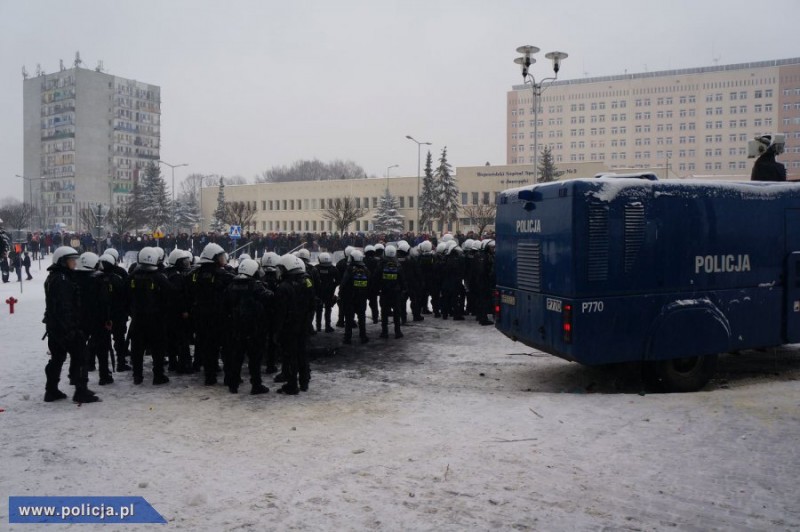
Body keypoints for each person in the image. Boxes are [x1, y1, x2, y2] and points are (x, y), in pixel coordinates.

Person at [43, 246, 100, 403]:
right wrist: (71, 328)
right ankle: (81, 391)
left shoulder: (55, 277)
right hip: (66, 327)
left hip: (55, 327)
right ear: (62, 261)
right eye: (71, 261)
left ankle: (51, 390)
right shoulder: (62, 280)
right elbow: (64, 307)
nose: (74, 264)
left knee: (57, 358)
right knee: (80, 357)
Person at [222, 259, 273, 394]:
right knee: (255, 358)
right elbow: (269, 299)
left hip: (237, 326)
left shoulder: (232, 285)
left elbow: (226, 304)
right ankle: (256, 385)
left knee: (237, 357)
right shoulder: (255, 285)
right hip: (254, 327)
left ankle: (233, 384)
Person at [188, 243, 234, 385]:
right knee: (227, 347)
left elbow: (188, 293)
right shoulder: (223, 274)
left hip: (202, 316)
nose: (223, 259)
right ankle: (229, 377)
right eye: (220, 257)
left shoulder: (194, 274)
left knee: (208, 347)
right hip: (220, 316)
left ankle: (210, 376)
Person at [128, 247, 174, 385]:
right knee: (158, 348)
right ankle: (158, 375)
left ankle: (137, 375)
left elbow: (123, 295)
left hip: (137, 318)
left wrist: (131, 310)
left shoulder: (132, 276)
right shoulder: (158, 276)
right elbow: (170, 293)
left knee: (137, 348)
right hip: (156, 318)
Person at [74, 252, 114, 385]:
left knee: (79, 350)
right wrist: (107, 319)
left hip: (79, 319)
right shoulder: (99, 280)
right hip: (97, 319)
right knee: (102, 349)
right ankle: (104, 375)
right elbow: (105, 301)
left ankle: (76, 376)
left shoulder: (73, 279)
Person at [165, 249, 194, 374]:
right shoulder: (177, 277)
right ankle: (184, 365)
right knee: (182, 340)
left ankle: (173, 363)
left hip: (168, 313)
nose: (186, 264)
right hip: (178, 313)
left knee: (171, 338)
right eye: (184, 262)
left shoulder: (168, 273)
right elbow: (180, 295)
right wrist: (184, 310)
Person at [373, 245, 405, 339]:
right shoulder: (398, 264)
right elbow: (402, 278)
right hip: (396, 292)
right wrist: (403, 288)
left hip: (385, 291)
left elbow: (376, 277)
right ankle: (397, 331)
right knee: (396, 312)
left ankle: (384, 332)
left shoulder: (381, 264)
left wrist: (376, 289)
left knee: (384, 312)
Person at [340, 249, 370, 344]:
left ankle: (347, 338)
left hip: (350, 298)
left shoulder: (349, 269)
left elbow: (344, 283)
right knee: (362, 318)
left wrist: (341, 294)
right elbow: (370, 283)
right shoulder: (366, 269)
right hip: (361, 298)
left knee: (349, 319)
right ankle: (363, 336)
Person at [314, 252, 339, 333]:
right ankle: (327, 326)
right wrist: (333, 285)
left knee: (319, 310)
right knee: (328, 309)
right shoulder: (333, 268)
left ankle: (318, 327)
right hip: (329, 292)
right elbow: (338, 280)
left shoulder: (316, 268)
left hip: (319, 292)